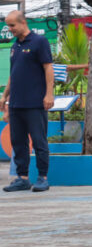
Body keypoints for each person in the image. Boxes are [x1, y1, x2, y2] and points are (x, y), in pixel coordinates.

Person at [1, 11, 54, 193]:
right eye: (8, 25)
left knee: (39, 142)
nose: (10, 29)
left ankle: (42, 178)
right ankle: (22, 178)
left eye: (12, 25)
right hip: (16, 104)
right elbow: (13, 74)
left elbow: (48, 68)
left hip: (35, 103)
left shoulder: (40, 42)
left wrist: (49, 94)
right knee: (18, 142)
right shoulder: (15, 46)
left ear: (23, 22)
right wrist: (5, 96)